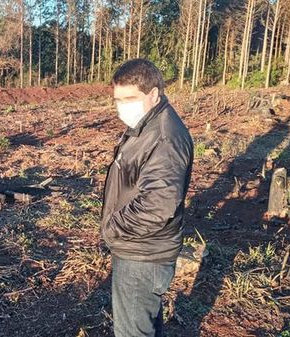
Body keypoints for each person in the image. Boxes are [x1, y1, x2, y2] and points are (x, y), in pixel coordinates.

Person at [100, 59, 194, 337]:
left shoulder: (163, 137)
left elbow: (157, 205)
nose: (121, 106)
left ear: (153, 93)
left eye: (129, 98)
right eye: (117, 99)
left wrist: (113, 228)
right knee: (144, 324)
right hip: (142, 247)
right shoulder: (148, 124)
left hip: (142, 254)